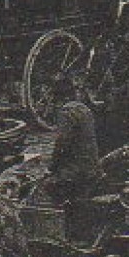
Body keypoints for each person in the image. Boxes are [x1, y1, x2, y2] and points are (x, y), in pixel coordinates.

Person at [48, 72, 103, 243]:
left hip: (76, 172)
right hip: (91, 168)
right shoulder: (84, 109)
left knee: (45, 188)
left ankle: (60, 232)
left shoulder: (66, 112)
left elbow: (62, 144)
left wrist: (51, 168)